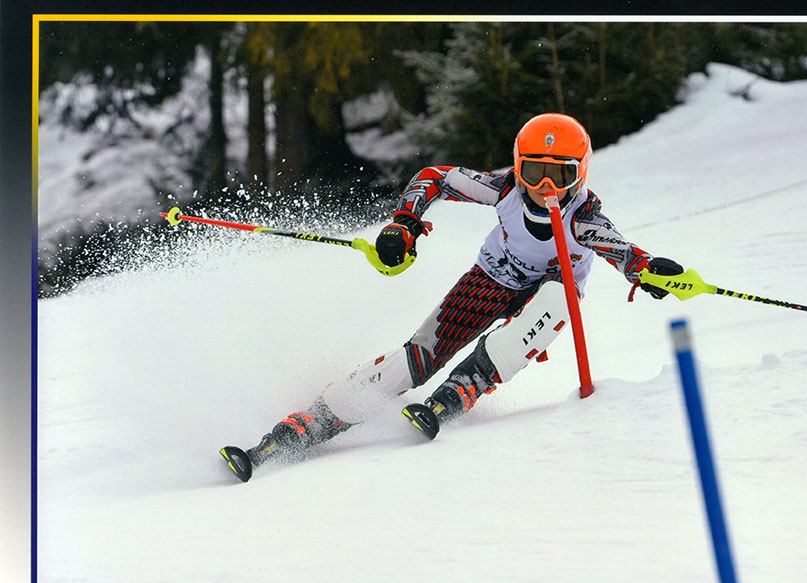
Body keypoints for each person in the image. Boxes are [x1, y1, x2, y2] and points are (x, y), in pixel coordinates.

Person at [222, 113, 684, 480]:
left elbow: (622, 251)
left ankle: (468, 383)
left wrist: (648, 272)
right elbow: (435, 176)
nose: (546, 189)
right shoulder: (502, 187)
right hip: (491, 278)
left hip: (549, 292)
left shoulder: (583, 216)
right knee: (418, 357)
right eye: (535, 173)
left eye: (559, 176)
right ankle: (313, 420)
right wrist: (404, 224)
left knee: (557, 299)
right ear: (518, 168)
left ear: (579, 175)